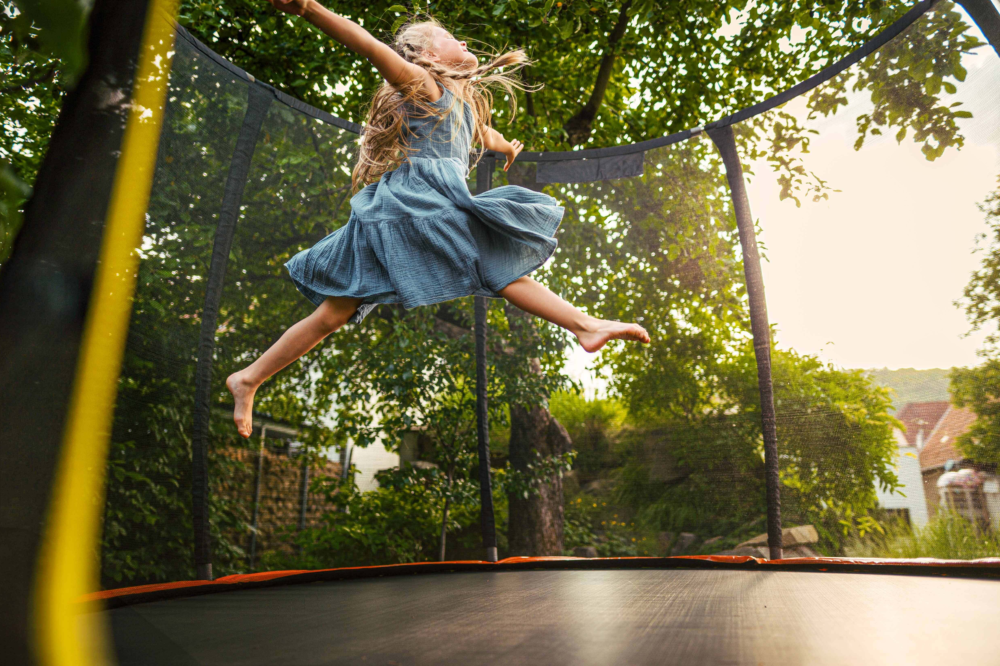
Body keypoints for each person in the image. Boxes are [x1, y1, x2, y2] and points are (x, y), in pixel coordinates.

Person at [227, 0, 651, 437]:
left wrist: (504, 146)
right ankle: (585, 324)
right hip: (415, 204)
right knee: (492, 262)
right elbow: (370, 46)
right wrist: (309, 8)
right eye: (450, 38)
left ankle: (249, 377)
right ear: (429, 57)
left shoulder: (462, 104)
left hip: (411, 212)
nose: (463, 40)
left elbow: (480, 132)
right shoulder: (421, 83)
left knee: (335, 312)